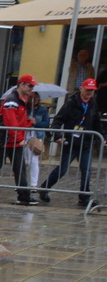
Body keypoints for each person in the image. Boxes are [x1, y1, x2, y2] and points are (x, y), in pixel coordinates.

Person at [43, 78, 101, 207]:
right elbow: (58, 120)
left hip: (85, 143)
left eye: (92, 90)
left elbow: (96, 122)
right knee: (62, 169)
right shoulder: (71, 103)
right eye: (87, 90)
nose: (89, 92)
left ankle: (84, 197)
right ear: (81, 88)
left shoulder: (93, 104)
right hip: (71, 142)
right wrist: (57, 135)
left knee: (86, 170)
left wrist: (102, 136)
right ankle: (44, 188)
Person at [0, 76, 36, 205]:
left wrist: (29, 122)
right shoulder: (12, 101)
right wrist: (19, 139)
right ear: (22, 85)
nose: (32, 89)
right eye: (30, 86)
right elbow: (10, 122)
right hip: (6, 140)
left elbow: (18, 122)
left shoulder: (21, 101)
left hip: (12, 140)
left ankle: (24, 196)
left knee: (19, 168)